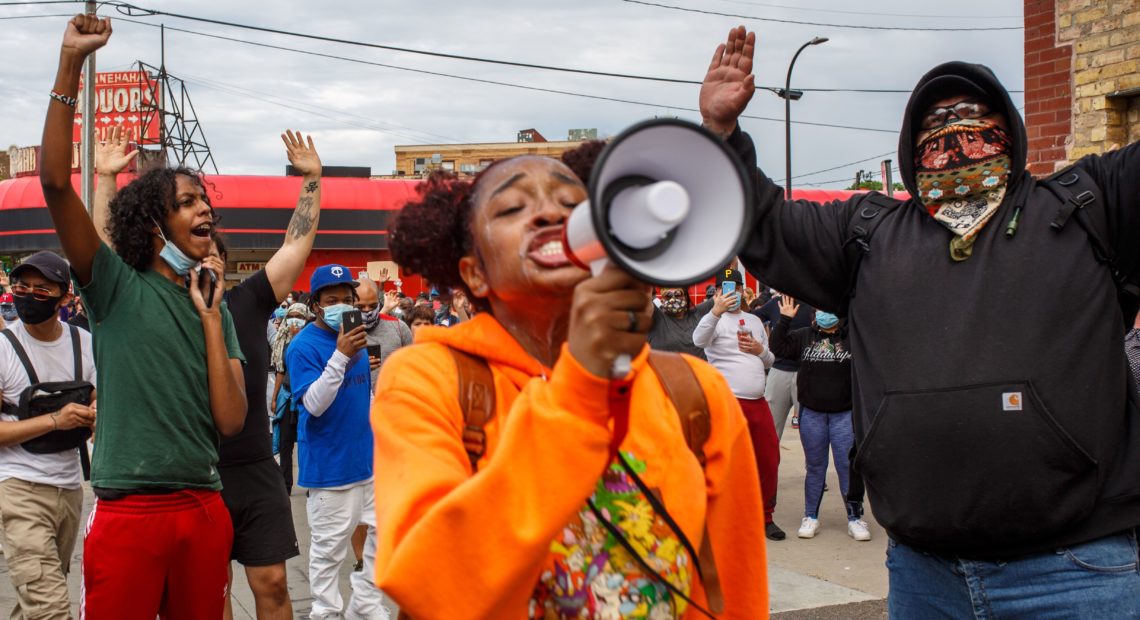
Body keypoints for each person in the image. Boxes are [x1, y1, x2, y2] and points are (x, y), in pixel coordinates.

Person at [701, 25, 1140, 616]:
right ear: (911, 144)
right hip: (924, 576)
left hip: (1076, 573)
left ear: (1008, 128)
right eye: (934, 121)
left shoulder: (1088, 204)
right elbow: (761, 221)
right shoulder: (867, 231)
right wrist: (723, 134)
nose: (954, 131)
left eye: (973, 113)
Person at [372, 153, 767, 618]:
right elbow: (429, 584)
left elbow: (737, 589)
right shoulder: (427, 378)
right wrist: (579, 390)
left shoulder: (692, 390)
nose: (550, 214)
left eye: (572, 205)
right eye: (512, 208)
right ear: (474, 273)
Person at [41, 15, 247, 618]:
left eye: (204, 199)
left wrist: (211, 321)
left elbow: (231, 422)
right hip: (128, 511)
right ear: (152, 225)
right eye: (186, 203)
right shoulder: (112, 287)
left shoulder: (215, 303)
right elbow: (56, 183)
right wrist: (70, 63)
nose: (204, 208)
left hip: (204, 509)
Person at [287, 264, 389, 620]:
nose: (343, 306)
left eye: (348, 299)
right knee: (328, 555)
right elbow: (313, 405)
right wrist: (341, 355)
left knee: (381, 540)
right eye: (333, 300)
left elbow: (365, 395)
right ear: (316, 304)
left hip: (368, 463)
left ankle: (364, 604)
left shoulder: (355, 337)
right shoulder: (303, 347)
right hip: (331, 472)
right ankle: (326, 614)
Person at [0, 251, 96, 620]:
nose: (28, 295)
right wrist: (56, 420)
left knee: (36, 600)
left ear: (65, 299)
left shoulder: (83, 343)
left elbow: (98, 393)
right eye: (22, 286)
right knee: (49, 607)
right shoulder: (5, 347)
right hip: (20, 488)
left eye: (42, 290)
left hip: (69, 489)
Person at [692, 268, 782, 541]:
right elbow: (697, 340)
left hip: (758, 402)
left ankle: (765, 516)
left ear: (743, 290)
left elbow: (769, 360)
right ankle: (724, 515)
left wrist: (759, 350)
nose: (733, 293)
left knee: (768, 459)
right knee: (727, 462)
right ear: (718, 291)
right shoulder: (712, 319)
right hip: (728, 401)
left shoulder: (754, 320)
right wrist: (715, 312)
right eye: (726, 288)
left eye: (737, 287)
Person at [768, 297, 868, 541]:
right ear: (814, 311)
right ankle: (810, 516)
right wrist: (784, 320)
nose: (826, 313)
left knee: (848, 467)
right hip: (812, 413)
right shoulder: (804, 336)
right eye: (821, 308)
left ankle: (855, 518)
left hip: (844, 415)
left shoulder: (851, 337)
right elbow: (778, 348)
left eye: (830, 308)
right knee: (815, 467)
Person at [754, 294, 814, 438]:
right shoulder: (776, 303)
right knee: (770, 430)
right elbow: (753, 316)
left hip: (807, 372)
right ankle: (769, 461)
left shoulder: (813, 302)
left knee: (812, 434)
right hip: (779, 370)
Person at [270, 302, 310, 496]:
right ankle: (286, 485)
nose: (296, 320)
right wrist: (275, 397)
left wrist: (298, 338)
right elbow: (280, 369)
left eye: (300, 317)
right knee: (286, 443)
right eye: (292, 315)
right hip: (287, 396)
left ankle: (310, 483)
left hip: (306, 398)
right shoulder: (282, 339)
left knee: (306, 442)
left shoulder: (311, 338)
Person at [355, 277, 412, 385]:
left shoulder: (399, 327)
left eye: (372, 306)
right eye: (360, 307)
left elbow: (414, 365)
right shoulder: (343, 333)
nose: (367, 310)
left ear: (379, 302)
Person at [647, 286, 713, 359]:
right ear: (662, 300)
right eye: (668, 296)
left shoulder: (698, 312)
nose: (673, 299)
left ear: (686, 298)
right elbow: (643, 296)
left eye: (678, 295)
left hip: (698, 369)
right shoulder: (655, 316)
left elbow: (720, 297)